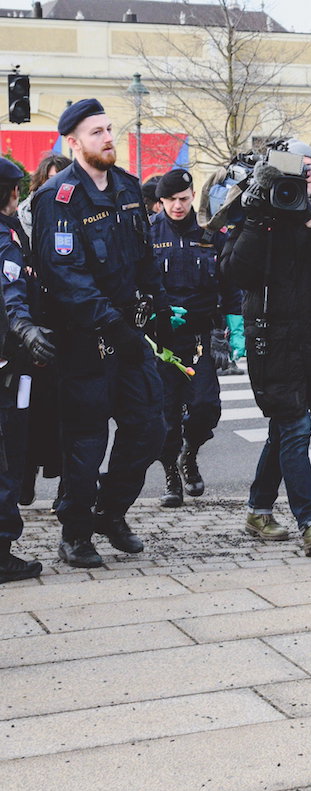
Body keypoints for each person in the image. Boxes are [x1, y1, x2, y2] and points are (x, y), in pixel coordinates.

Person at [28, 99, 169, 569]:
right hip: (85, 338)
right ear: (73, 142)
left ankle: (111, 511)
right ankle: (75, 534)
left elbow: (144, 256)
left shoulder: (127, 187)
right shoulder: (57, 197)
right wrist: (112, 323)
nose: (108, 138)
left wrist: (159, 303)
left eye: (109, 129)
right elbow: (65, 276)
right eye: (96, 132)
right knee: (86, 442)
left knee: (150, 428)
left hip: (129, 332)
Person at [220, 139, 311, 556]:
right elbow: (235, 272)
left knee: (283, 429)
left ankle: (258, 509)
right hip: (273, 342)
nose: (306, 173)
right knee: (295, 428)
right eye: (298, 167)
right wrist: (257, 220)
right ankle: (310, 521)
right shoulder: (258, 218)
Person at [148, 167, 238, 508]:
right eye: (170, 200)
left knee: (205, 406)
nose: (178, 206)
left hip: (201, 335)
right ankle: (171, 473)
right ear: (160, 201)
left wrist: (229, 332)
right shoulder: (149, 233)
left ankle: (190, 453)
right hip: (162, 338)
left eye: (184, 199)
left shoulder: (210, 233)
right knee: (166, 414)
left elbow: (230, 285)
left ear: (192, 197)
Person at [0, 156, 47, 582]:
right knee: (8, 455)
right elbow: (13, 296)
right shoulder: (6, 241)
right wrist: (28, 331)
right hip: (8, 365)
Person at [19, 154, 70, 241]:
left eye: (61, 179)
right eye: (51, 179)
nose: (56, 184)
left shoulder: (82, 210)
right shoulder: (24, 213)